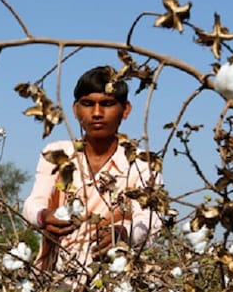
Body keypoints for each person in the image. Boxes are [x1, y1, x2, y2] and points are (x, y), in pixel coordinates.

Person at [23, 66, 164, 273]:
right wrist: (44, 217)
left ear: (125, 110)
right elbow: (34, 202)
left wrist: (123, 233)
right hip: (55, 282)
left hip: (114, 284)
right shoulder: (57, 154)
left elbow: (149, 221)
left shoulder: (142, 164)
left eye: (107, 104)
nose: (97, 113)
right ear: (76, 109)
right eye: (88, 104)